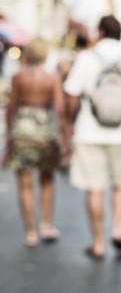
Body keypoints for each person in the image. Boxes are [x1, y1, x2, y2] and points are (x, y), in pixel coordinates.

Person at [64, 15, 121, 260]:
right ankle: (118, 227)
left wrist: (69, 125)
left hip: (89, 132)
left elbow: (71, 96)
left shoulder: (85, 58)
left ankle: (98, 243)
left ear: (101, 31)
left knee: (94, 187)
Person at [5, 38, 67, 247]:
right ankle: (46, 225)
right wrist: (64, 138)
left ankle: (31, 232)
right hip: (45, 131)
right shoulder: (52, 78)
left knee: (24, 183)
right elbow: (59, 110)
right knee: (47, 179)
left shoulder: (18, 77)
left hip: (22, 130)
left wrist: (9, 136)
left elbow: (11, 107)